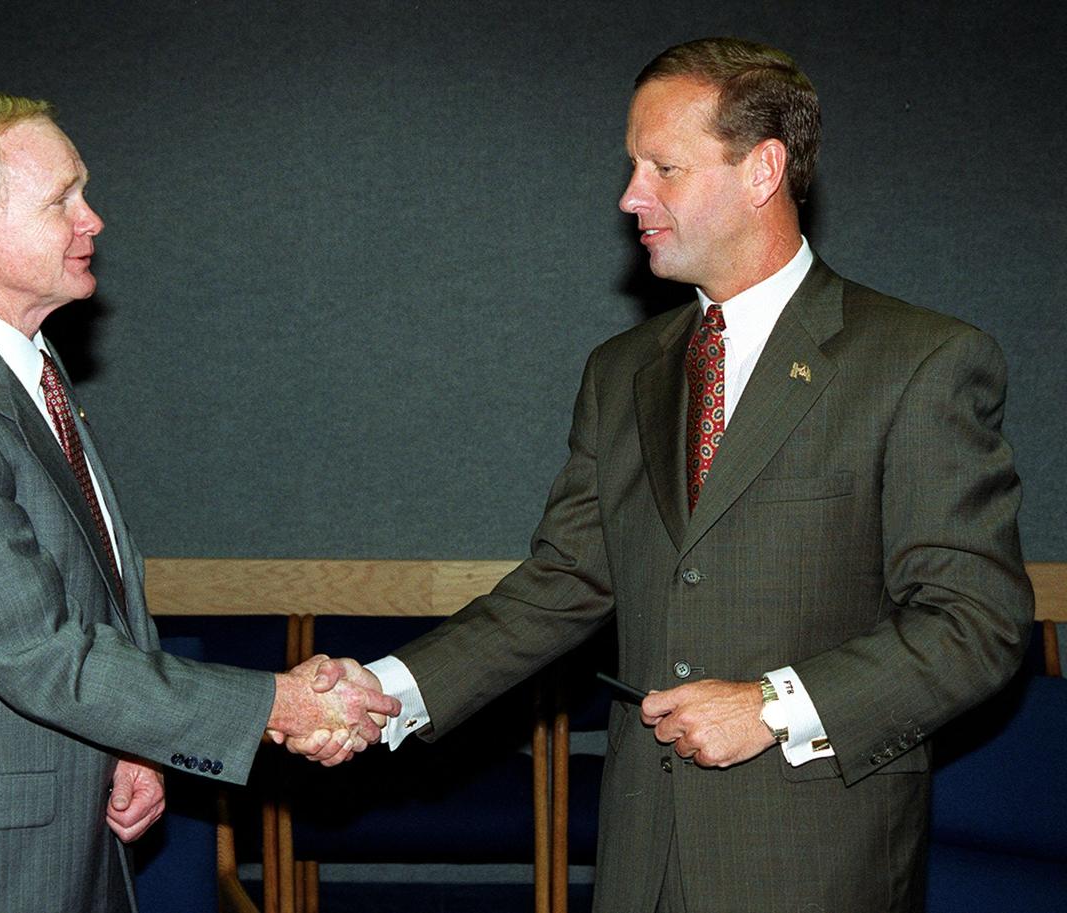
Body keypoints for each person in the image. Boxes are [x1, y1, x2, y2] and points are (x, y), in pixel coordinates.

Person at [291, 37, 1034, 913]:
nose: (630, 197)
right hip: (641, 855)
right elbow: (563, 585)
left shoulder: (920, 361)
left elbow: (977, 622)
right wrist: (391, 690)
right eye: (632, 167)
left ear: (762, 170)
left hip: (813, 864)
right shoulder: (623, 371)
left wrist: (770, 705)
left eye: (663, 168)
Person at [0, 89, 398, 913]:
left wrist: (136, 744)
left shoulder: (28, 370)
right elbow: (38, 651)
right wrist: (279, 702)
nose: (92, 220)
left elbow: (95, 587)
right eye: (62, 199)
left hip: (64, 834)